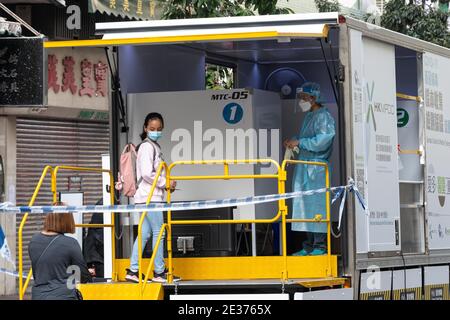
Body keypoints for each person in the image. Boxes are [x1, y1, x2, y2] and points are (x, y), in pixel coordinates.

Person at [125, 112, 179, 283]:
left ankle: (133, 270)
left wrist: (165, 183)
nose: (156, 131)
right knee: (159, 232)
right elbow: (148, 173)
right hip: (150, 197)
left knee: (145, 233)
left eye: (159, 129)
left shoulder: (152, 146)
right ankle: (159, 272)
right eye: (153, 128)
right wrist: (165, 183)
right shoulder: (148, 147)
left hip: (145, 197)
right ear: (145, 128)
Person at [283, 82, 336, 256]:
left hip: (317, 168)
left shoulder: (324, 117)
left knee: (317, 207)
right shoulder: (310, 116)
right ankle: (309, 245)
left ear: (313, 98)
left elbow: (323, 141)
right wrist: (294, 142)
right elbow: (307, 138)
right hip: (305, 166)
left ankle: (319, 246)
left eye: (304, 98)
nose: (301, 102)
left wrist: (301, 142)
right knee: (305, 206)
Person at [28, 203, 92, 300]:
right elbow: (82, 276)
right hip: (64, 296)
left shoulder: (34, 241)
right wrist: (88, 273)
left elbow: (40, 271)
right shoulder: (70, 243)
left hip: (38, 295)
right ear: (66, 220)